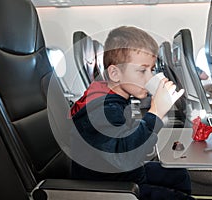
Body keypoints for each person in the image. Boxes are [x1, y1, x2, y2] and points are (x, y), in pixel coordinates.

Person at [70, 26, 195, 200]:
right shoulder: (102, 110)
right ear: (115, 73)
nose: (150, 77)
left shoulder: (116, 98)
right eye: (142, 70)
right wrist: (156, 113)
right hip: (109, 186)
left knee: (179, 174)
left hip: (122, 172)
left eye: (151, 70)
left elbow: (128, 140)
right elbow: (125, 157)